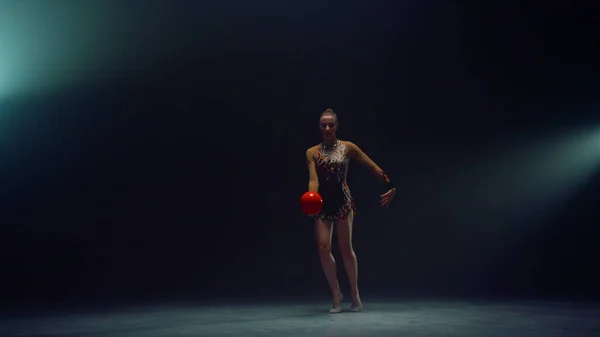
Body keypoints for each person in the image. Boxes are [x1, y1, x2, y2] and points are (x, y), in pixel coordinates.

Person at [305, 108, 396, 313]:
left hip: (343, 202)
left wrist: (391, 186)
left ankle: (355, 295)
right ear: (319, 127)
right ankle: (336, 294)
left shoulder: (348, 147)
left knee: (346, 248)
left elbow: (372, 166)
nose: (327, 128)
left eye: (331, 124)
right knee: (322, 247)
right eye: (323, 124)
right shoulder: (312, 152)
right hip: (322, 203)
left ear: (336, 126)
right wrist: (312, 201)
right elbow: (313, 179)